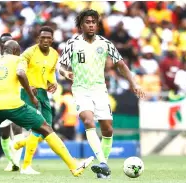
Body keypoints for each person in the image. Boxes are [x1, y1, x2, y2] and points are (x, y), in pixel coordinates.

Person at [0, 40, 94, 181]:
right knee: (46, 128)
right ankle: (73, 167)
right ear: (16, 51)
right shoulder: (18, 60)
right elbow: (21, 74)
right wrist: (31, 95)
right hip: (14, 106)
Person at [57, 9, 145, 179]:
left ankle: (103, 167)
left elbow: (121, 65)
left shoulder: (105, 43)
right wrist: (66, 73)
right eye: (87, 22)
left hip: (100, 90)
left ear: (97, 25)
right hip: (81, 89)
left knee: (107, 129)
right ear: (81, 25)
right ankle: (103, 163)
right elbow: (61, 65)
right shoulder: (72, 43)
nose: (90, 25)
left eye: (93, 22)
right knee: (89, 121)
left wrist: (134, 83)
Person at [12, 26, 58, 174]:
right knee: (39, 128)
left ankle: (21, 143)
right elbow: (19, 71)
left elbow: (50, 71)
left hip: (43, 93)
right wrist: (28, 87)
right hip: (29, 92)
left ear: (52, 39)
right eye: (42, 37)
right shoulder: (29, 53)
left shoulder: (54, 54)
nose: (45, 40)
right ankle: (26, 166)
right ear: (38, 39)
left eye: (48, 38)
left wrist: (53, 82)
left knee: (48, 130)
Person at [0, 33, 24, 171]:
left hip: (15, 95)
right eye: (5, 42)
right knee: (4, 132)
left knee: (17, 127)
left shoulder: (19, 58)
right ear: (0, 44)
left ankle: (17, 162)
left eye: (10, 42)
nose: (7, 44)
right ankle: (11, 161)